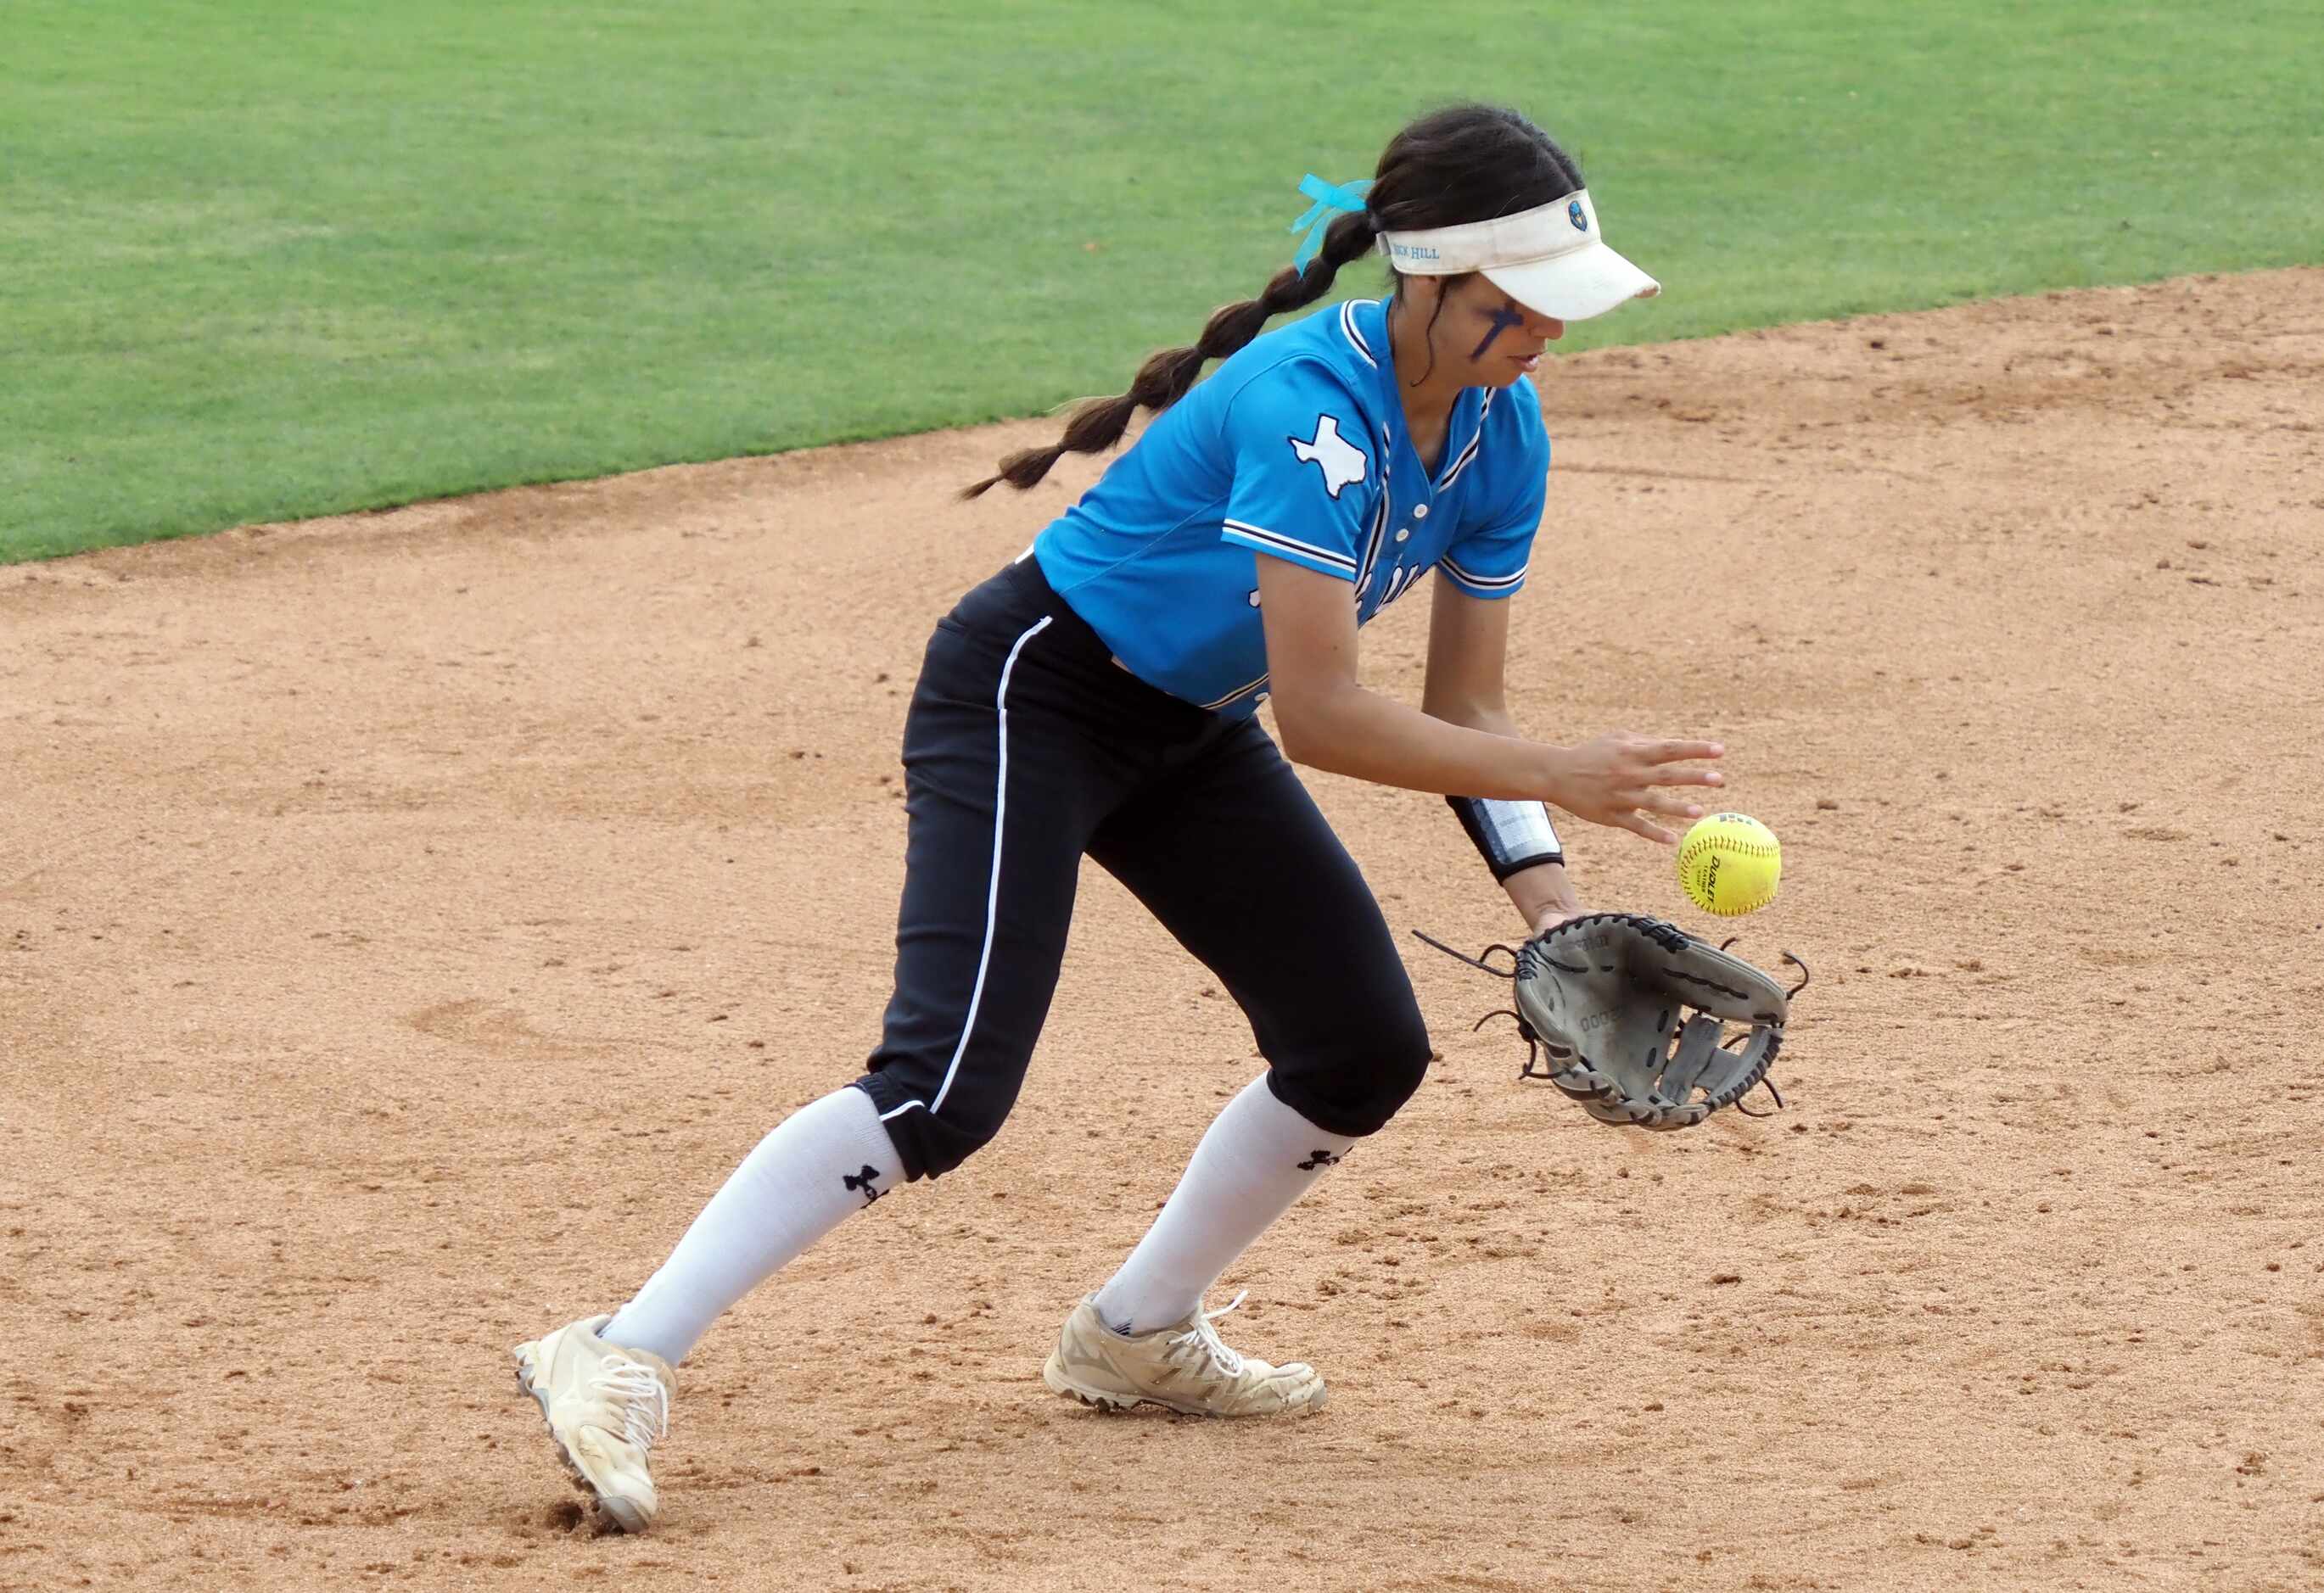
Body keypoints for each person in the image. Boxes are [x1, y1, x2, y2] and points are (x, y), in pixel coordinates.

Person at [514, 102, 1726, 1532]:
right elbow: (1326, 716)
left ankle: (1138, 1331)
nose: (1547, 332)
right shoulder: (1308, 410)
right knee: (942, 1088)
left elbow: (1469, 711)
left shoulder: (1501, 429)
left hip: (1182, 728)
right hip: (1034, 688)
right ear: (1425, 272)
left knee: (1359, 1049)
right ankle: (621, 1347)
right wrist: (1573, 769)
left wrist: (1554, 902)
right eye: (1520, 303)